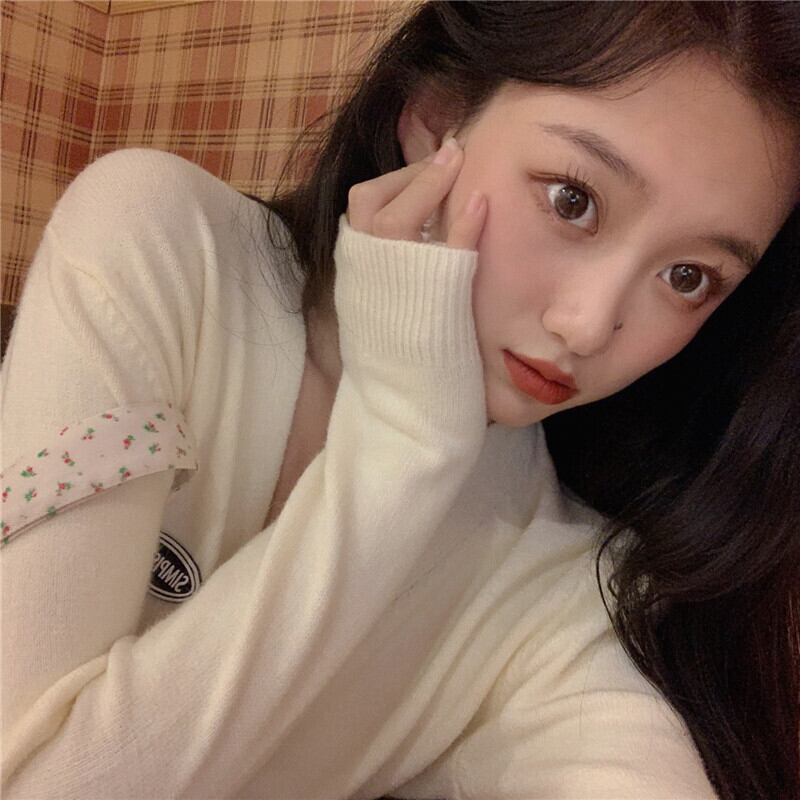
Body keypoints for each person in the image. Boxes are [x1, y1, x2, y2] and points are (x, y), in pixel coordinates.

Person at [1, 1, 798, 798]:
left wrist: (409, 437)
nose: (587, 326)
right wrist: (406, 438)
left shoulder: (564, 584)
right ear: (436, 118)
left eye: (688, 277)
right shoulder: (169, 249)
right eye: (571, 200)